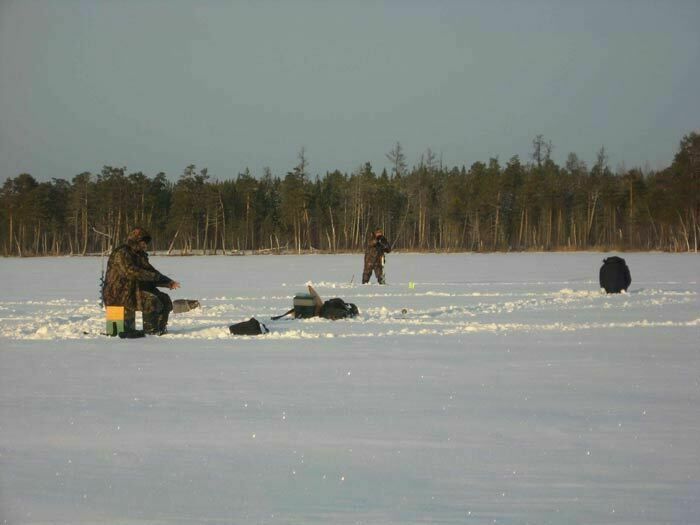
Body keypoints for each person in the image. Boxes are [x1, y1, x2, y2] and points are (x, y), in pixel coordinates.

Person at [102, 227, 180, 335]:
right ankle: (150, 333)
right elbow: (130, 272)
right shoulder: (121, 253)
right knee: (151, 301)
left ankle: (159, 330)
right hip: (118, 293)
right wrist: (154, 277)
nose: (145, 245)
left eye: (145, 242)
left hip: (134, 290)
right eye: (143, 241)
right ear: (135, 241)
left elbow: (150, 272)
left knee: (164, 299)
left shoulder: (140, 255)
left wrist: (168, 282)